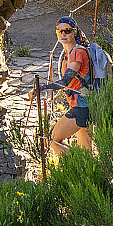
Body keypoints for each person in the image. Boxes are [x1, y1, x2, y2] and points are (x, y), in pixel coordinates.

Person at [28, 16, 93, 154]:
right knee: (86, 151)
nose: (63, 34)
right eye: (60, 31)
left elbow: (65, 82)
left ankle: (75, 165)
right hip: (84, 104)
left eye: (67, 31)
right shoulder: (67, 53)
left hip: (82, 106)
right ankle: (85, 168)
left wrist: (41, 89)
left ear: (74, 32)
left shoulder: (77, 53)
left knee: (52, 140)